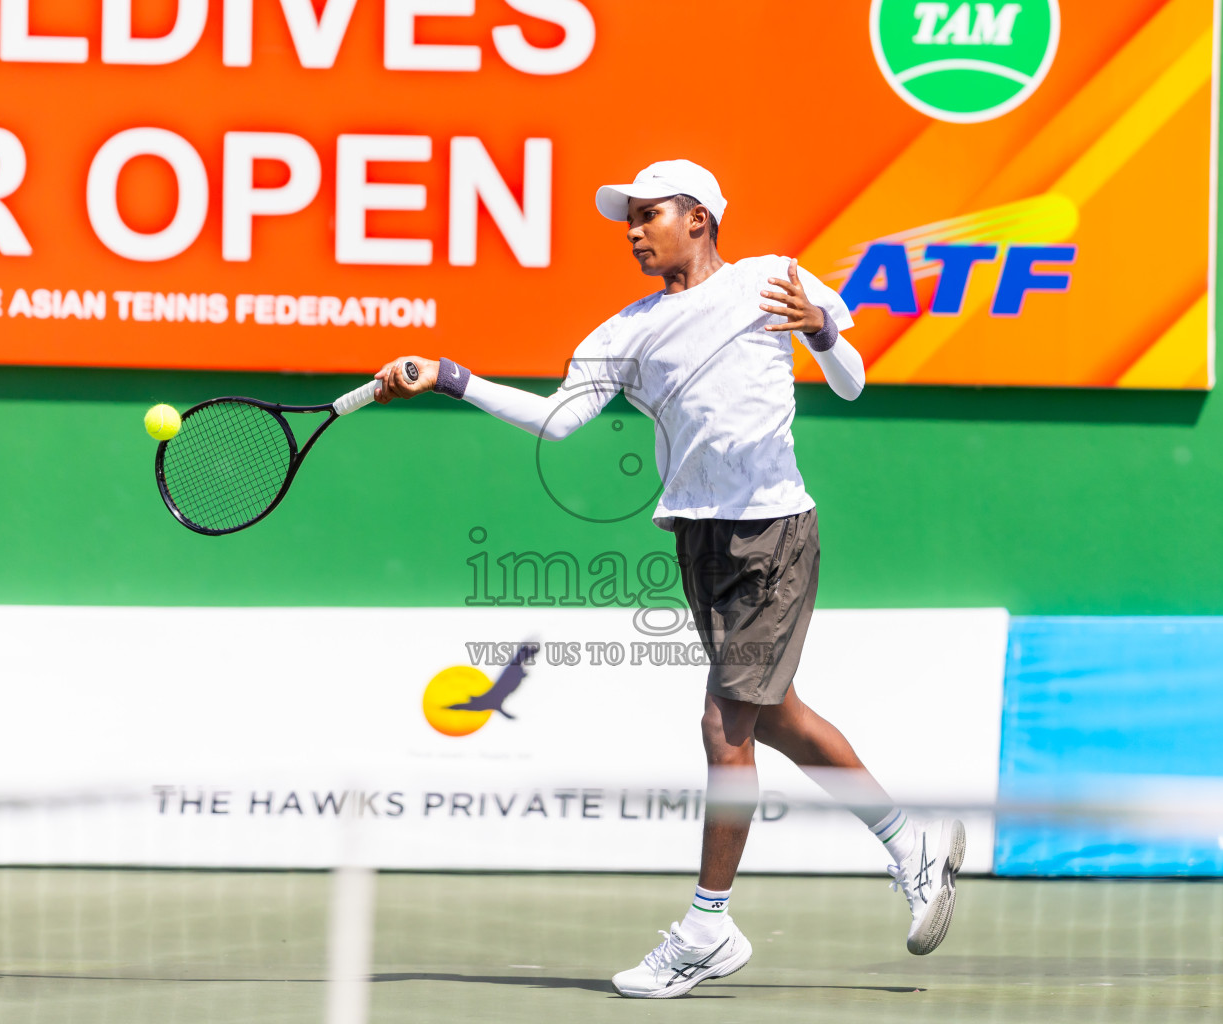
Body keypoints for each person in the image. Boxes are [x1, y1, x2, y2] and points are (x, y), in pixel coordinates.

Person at [374, 159, 965, 998]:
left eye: (647, 215)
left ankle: (707, 926)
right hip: (699, 540)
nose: (632, 230)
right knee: (777, 718)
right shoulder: (625, 332)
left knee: (725, 727)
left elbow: (853, 380)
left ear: (699, 217)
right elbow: (557, 419)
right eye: (629, 218)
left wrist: (823, 332)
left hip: (774, 533)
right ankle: (912, 846)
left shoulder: (773, 282)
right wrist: (450, 376)